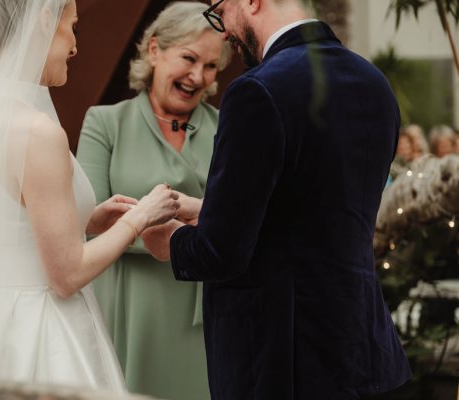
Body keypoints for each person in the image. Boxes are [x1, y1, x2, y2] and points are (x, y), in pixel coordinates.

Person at [0, 0, 179, 390]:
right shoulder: (37, 131)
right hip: (44, 333)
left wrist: (86, 219)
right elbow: (67, 275)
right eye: (73, 28)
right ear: (45, 17)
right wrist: (140, 217)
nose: (75, 46)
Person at [142, 0, 412, 398]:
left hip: (282, 364)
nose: (223, 31)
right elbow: (317, 210)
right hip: (367, 353)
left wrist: (167, 240)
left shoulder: (257, 90)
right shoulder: (374, 83)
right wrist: (210, 209)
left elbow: (222, 253)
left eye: (221, 10)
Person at [76, 2, 231, 399]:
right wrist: (192, 230)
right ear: (155, 50)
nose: (198, 76)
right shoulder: (104, 123)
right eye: (189, 58)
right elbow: (89, 224)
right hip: (132, 308)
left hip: (207, 314)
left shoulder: (228, 129)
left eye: (211, 66)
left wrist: (148, 224)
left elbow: (242, 222)